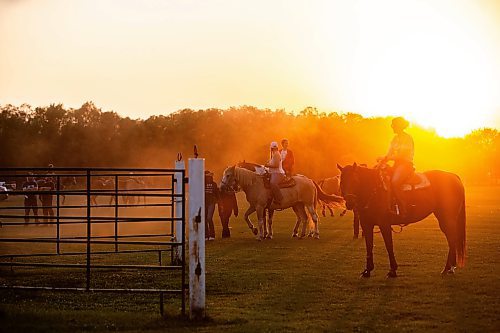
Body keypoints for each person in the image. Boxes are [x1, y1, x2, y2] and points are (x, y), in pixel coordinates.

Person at [379, 117, 414, 218]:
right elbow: (389, 153)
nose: (392, 127)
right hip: (397, 165)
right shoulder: (394, 139)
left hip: (405, 164)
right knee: (381, 178)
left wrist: (387, 158)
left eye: (393, 125)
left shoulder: (407, 138)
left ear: (399, 126)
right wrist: (382, 160)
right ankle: (389, 206)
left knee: (395, 182)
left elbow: (402, 155)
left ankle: (404, 208)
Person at [205, 170, 219, 241]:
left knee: (209, 218)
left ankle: (212, 235)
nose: (209, 178)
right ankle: (206, 235)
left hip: (211, 203)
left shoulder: (214, 184)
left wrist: (219, 202)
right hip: (204, 203)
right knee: (204, 219)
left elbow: (217, 194)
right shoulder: (202, 184)